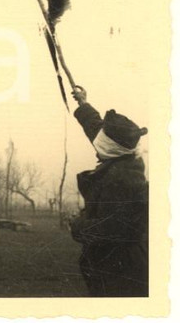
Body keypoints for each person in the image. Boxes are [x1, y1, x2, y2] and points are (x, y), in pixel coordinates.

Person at [69, 86, 149, 297]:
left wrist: (78, 226)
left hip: (122, 271)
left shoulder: (124, 179)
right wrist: (83, 103)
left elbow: (114, 228)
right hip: (113, 264)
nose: (97, 143)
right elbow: (96, 130)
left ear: (108, 148)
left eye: (100, 144)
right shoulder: (122, 154)